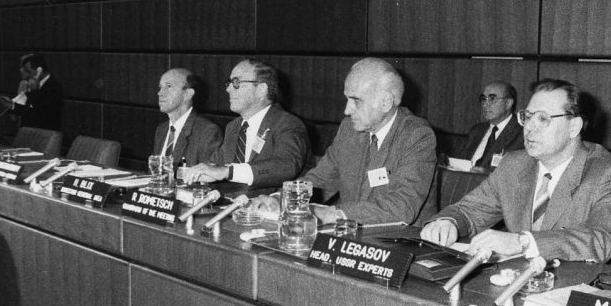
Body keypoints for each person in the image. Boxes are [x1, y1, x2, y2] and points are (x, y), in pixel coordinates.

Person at [421, 78, 611, 262]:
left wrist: (523, 242)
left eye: (542, 118)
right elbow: (470, 210)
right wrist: (448, 222)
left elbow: (601, 240)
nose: (529, 127)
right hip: (517, 278)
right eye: (528, 116)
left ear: (573, 127)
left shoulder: (608, 174)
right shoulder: (514, 164)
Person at [251, 57, 438, 225]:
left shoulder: (417, 135)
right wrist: (281, 200)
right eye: (347, 99)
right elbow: (321, 179)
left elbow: (401, 207)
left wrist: (333, 214)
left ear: (385, 102)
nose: (347, 110)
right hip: (351, 236)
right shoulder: (349, 129)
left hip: (400, 241)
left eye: (356, 100)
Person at [180, 59, 309, 190]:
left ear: (261, 90)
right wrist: (201, 172)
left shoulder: (287, 123)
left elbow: (286, 165)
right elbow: (216, 164)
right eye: (229, 83)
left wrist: (227, 172)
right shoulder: (234, 127)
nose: (228, 89)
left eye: (236, 82)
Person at [152, 68, 221, 167]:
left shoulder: (207, 131)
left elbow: (205, 174)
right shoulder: (161, 130)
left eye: (168, 86)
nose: (160, 93)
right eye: (160, 87)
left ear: (188, 94)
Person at [455, 80, 524, 170]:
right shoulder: (477, 130)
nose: (485, 104)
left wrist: (487, 174)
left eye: (492, 99)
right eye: (484, 99)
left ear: (508, 103)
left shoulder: (521, 133)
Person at [0, 53, 63, 131]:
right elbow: (26, 110)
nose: (28, 75)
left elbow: (40, 112)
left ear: (39, 70)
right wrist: (12, 105)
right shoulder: (32, 85)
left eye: (29, 72)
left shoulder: (53, 86)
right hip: (29, 132)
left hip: (44, 133)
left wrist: (34, 91)